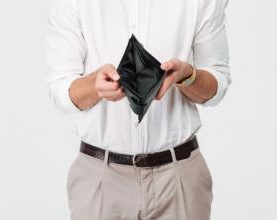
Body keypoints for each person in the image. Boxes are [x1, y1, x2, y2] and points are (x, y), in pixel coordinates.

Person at [46, 0, 231, 219]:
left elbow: (216, 83)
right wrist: (95, 85)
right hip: (101, 180)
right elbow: (60, 89)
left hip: (178, 178)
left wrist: (187, 75)